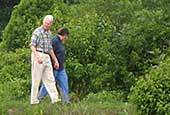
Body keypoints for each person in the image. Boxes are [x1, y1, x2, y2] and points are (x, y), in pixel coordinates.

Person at [30, 15, 61, 104]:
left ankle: (55, 99)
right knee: (36, 79)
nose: (46, 25)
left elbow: (50, 48)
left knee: (50, 78)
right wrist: (37, 56)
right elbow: (32, 45)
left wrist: (55, 60)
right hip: (38, 54)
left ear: (51, 24)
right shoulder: (37, 31)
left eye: (48, 24)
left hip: (46, 56)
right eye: (45, 23)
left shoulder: (49, 33)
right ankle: (34, 100)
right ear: (43, 22)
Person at [38, 27, 70, 104]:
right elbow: (48, 51)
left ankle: (66, 101)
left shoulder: (60, 41)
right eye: (66, 36)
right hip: (53, 68)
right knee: (48, 84)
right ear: (64, 35)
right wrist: (54, 62)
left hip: (61, 68)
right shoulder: (54, 40)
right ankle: (39, 98)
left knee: (64, 83)